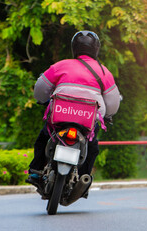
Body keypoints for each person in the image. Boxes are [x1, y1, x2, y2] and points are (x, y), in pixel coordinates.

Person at [26, 30, 121, 188]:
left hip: (60, 116)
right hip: (88, 120)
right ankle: (83, 179)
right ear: (96, 49)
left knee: (44, 137)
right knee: (92, 147)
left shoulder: (61, 65)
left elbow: (40, 89)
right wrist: (108, 115)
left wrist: (42, 100)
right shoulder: (104, 72)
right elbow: (112, 103)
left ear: (74, 48)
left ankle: (36, 171)